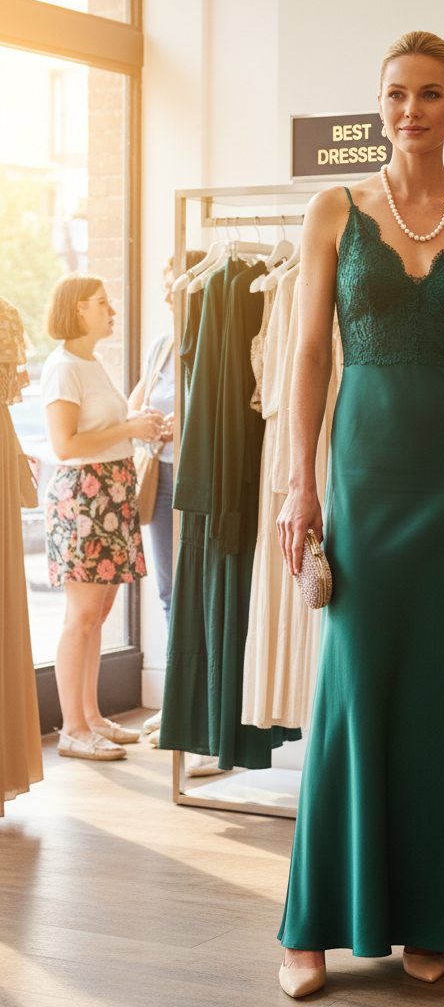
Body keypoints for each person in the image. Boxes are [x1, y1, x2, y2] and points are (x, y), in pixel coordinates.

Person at [274, 31, 444, 998]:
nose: (411, 109)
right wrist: (302, 482)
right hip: (368, 470)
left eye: (430, 94)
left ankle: (430, 909)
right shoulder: (333, 210)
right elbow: (309, 356)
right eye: (396, 94)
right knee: (353, 689)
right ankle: (309, 926)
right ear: (378, 106)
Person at [41, 273, 163, 760]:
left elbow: (112, 430)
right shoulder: (63, 367)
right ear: (77, 310)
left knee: (100, 614)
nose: (110, 310)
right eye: (101, 303)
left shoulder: (91, 363)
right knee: (83, 616)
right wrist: (129, 426)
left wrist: (141, 427)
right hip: (84, 499)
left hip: (110, 495)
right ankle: (72, 727)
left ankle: (90, 717)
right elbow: (64, 445)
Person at [130, 251, 207, 754]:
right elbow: (134, 403)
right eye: (161, 285)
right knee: (167, 588)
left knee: (198, 587)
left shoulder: (210, 339)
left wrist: (186, 419)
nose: (164, 295)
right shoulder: (161, 346)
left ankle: (196, 702)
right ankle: (176, 698)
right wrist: (151, 420)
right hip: (159, 474)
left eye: (172, 284)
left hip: (197, 475)